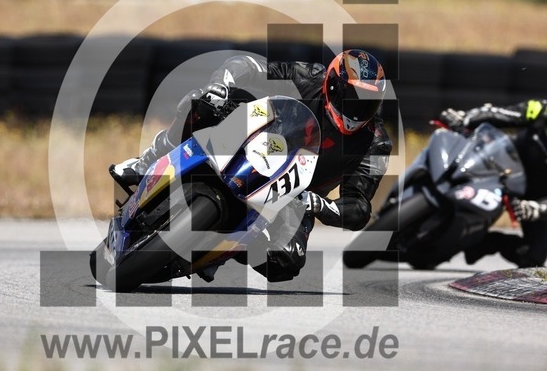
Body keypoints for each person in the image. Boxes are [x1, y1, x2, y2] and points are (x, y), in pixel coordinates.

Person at [111, 49, 393, 282]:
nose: (357, 111)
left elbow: (359, 206)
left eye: (367, 104)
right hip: (259, 137)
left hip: (295, 195)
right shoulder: (309, 76)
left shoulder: (376, 143)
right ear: (331, 84)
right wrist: (222, 83)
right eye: (352, 98)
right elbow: (249, 65)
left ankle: (223, 249)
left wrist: (320, 205)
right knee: (203, 101)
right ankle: (147, 160)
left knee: (286, 261)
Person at [439, 100, 547, 267]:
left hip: (536, 198)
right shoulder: (540, 108)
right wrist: (466, 117)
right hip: (504, 167)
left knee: (532, 257)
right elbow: (502, 113)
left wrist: (537, 209)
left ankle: (477, 243)